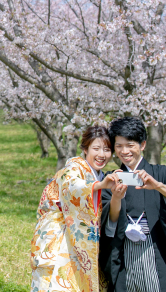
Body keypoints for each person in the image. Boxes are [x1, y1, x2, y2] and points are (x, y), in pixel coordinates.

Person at [99, 117, 166, 292]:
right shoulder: (110, 178)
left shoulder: (161, 173)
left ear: (142, 145)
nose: (124, 151)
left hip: (156, 250)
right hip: (124, 251)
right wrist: (115, 198)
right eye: (119, 146)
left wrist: (158, 186)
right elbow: (107, 220)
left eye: (130, 145)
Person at [30, 125, 119, 292]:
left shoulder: (99, 174)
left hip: (82, 238)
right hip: (62, 237)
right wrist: (99, 185)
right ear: (85, 149)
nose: (102, 155)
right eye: (96, 148)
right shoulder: (74, 167)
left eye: (107, 149)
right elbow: (72, 187)